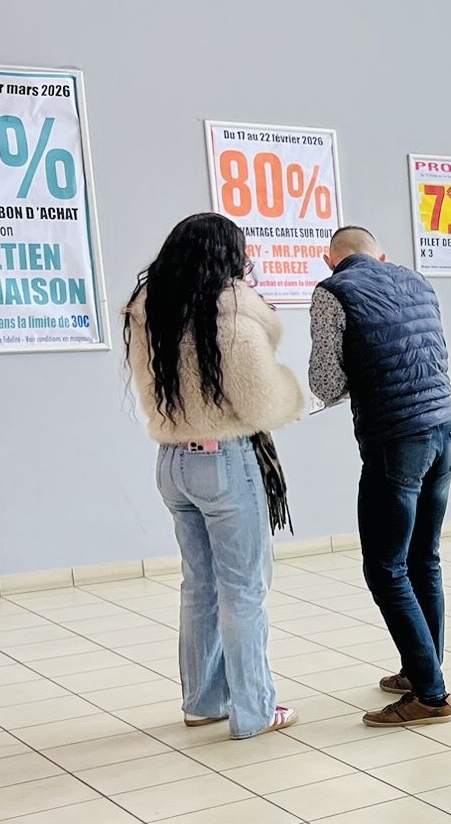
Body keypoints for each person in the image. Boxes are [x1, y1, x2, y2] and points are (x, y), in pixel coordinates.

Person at [125, 213, 306, 740]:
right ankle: (254, 710)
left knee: (198, 585)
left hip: (173, 463)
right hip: (225, 460)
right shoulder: (229, 313)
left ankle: (203, 702)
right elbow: (259, 396)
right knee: (243, 589)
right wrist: (292, 396)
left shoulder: (150, 310)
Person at [309, 225, 451, 728]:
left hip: (395, 439)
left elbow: (326, 382)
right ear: (383, 256)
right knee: (425, 558)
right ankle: (424, 668)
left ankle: (431, 695)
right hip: (443, 431)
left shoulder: (332, 292)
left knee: (386, 567)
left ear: (330, 260)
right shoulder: (418, 281)